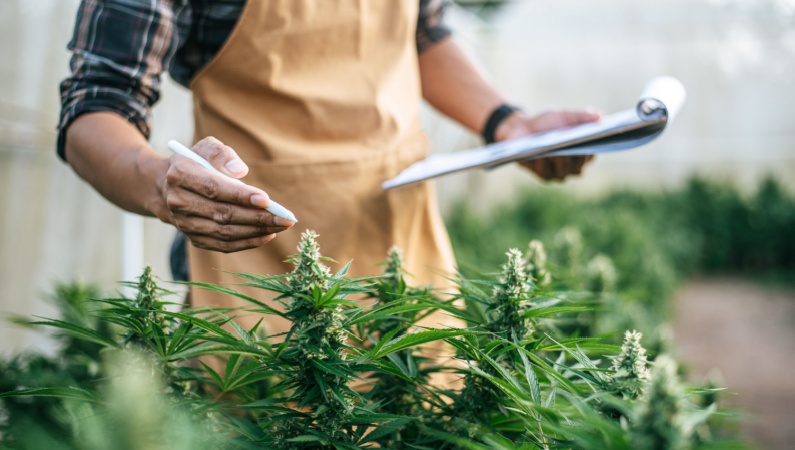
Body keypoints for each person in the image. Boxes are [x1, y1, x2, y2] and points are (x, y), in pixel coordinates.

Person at [59, 0, 598, 336]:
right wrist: (161, 184)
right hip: (258, 282)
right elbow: (97, 102)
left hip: (408, 269)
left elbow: (421, 28)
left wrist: (507, 123)